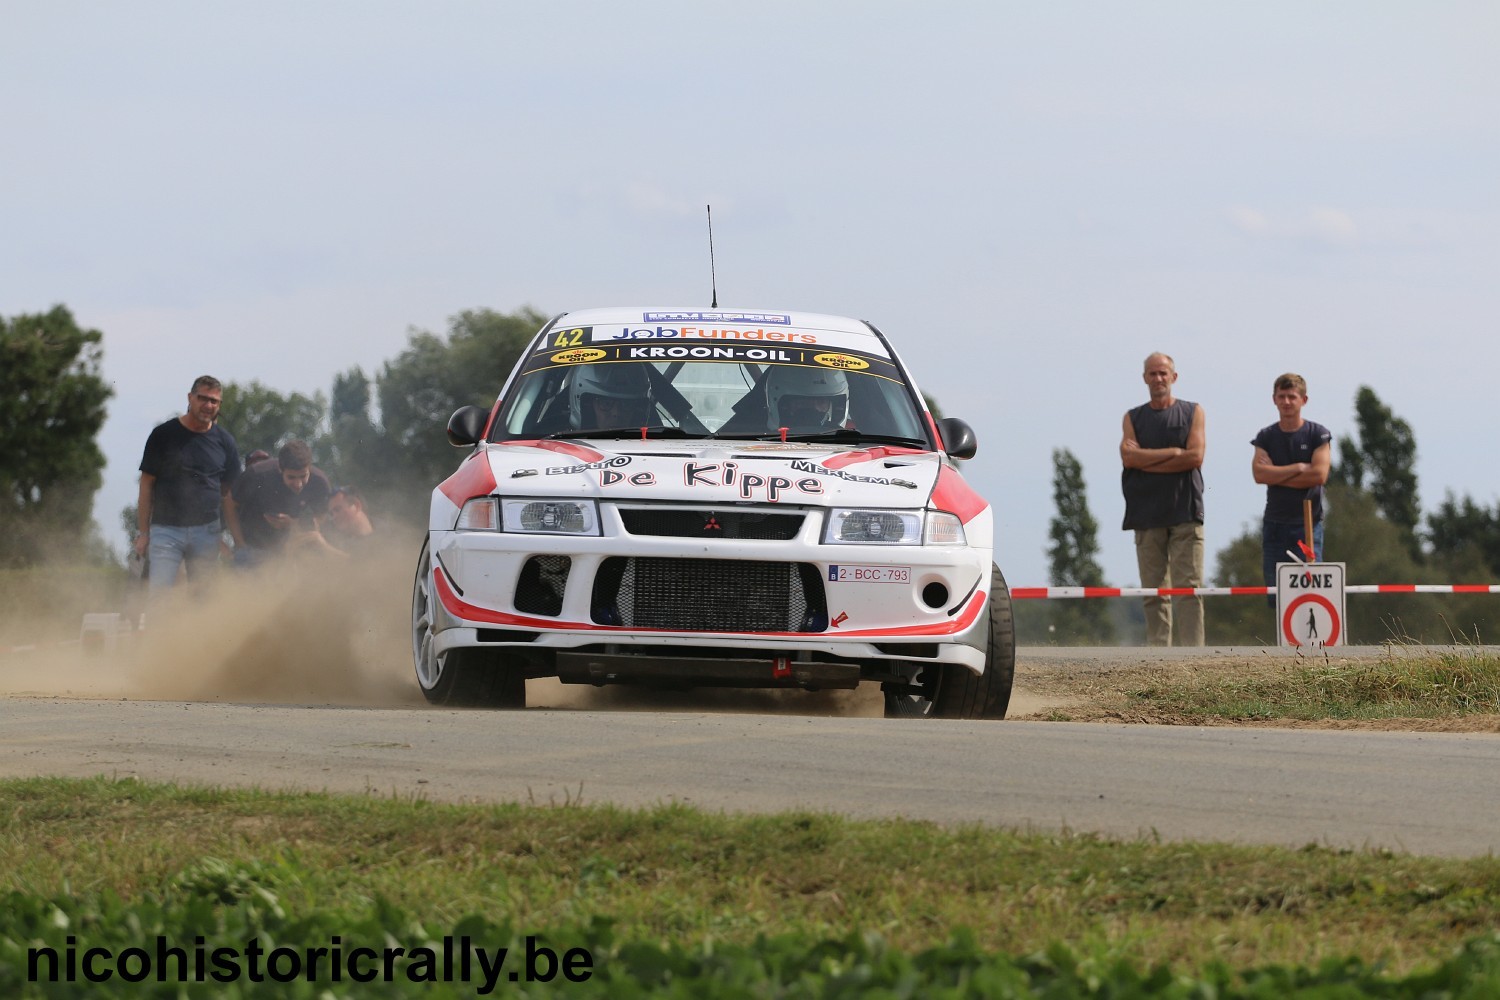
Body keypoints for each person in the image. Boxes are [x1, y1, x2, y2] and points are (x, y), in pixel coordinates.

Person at [1120, 352, 1207, 646]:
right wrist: (1173, 453)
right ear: (1144, 378)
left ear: (1174, 377)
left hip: (1185, 512)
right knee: (1153, 591)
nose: (1158, 379)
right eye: (1152, 374)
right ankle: (1159, 653)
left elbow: (1195, 456)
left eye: (1163, 373)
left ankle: (1194, 654)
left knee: (1188, 589)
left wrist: (1146, 459)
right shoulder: (1133, 417)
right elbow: (1128, 458)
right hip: (1146, 514)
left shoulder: (1193, 412)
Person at [135, 375, 243, 593]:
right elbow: (146, 485)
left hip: (207, 531)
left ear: (219, 405)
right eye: (203, 398)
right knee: (160, 597)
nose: (208, 405)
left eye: (214, 401)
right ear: (190, 398)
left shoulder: (225, 441)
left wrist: (233, 538)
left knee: (204, 599)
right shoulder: (163, 435)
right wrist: (144, 533)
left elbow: (229, 494)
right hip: (165, 530)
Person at [1251, 373, 1332, 595]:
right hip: (1274, 525)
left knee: (1310, 592)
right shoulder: (1265, 436)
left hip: (1307, 524)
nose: (1286, 402)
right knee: (1276, 593)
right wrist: (1297, 468)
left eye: (1292, 397)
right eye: (1282, 396)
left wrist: (1275, 473)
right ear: (1274, 399)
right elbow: (1259, 474)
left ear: (1303, 400)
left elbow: (1318, 475)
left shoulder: (1318, 434)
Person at [225, 439, 332, 566]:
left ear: (309, 468)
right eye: (291, 477)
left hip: (292, 550)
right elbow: (229, 502)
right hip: (252, 548)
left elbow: (320, 517)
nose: (298, 484)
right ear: (280, 469)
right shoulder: (256, 474)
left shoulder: (320, 482)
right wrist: (240, 544)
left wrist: (294, 523)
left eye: (303, 476)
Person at [295, 485, 376, 560]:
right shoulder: (337, 540)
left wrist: (324, 546)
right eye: (331, 513)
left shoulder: (385, 531)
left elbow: (361, 566)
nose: (334, 517)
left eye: (338, 509)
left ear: (356, 506)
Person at [568, 364, 655, 430]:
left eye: (626, 404)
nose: (616, 413)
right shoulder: (558, 452)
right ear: (589, 406)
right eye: (606, 403)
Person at [766, 366, 849, 432]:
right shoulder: (755, 437)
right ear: (784, 406)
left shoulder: (847, 437)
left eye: (821, 402)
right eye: (803, 403)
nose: (814, 409)